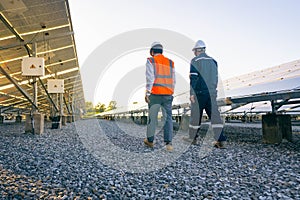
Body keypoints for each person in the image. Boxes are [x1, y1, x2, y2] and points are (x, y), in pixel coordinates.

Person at [183, 40, 226, 148]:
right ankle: (221, 140)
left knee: (195, 117)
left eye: (194, 51)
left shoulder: (195, 60)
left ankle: (192, 138)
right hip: (211, 93)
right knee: (215, 117)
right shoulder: (214, 61)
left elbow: (194, 78)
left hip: (199, 93)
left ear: (198, 50)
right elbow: (215, 79)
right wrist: (212, 90)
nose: (194, 53)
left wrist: (192, 93)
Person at [144, 42, 175, 151]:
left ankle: (150, 141)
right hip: (168, 94)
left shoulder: (151, 60)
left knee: (153, 117)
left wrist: (147, 93)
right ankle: (169, 144)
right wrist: (171, 92)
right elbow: (174, 80)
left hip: (155, 93)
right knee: (168, 118)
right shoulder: (170, 63)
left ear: (152, 52)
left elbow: (150, 78)